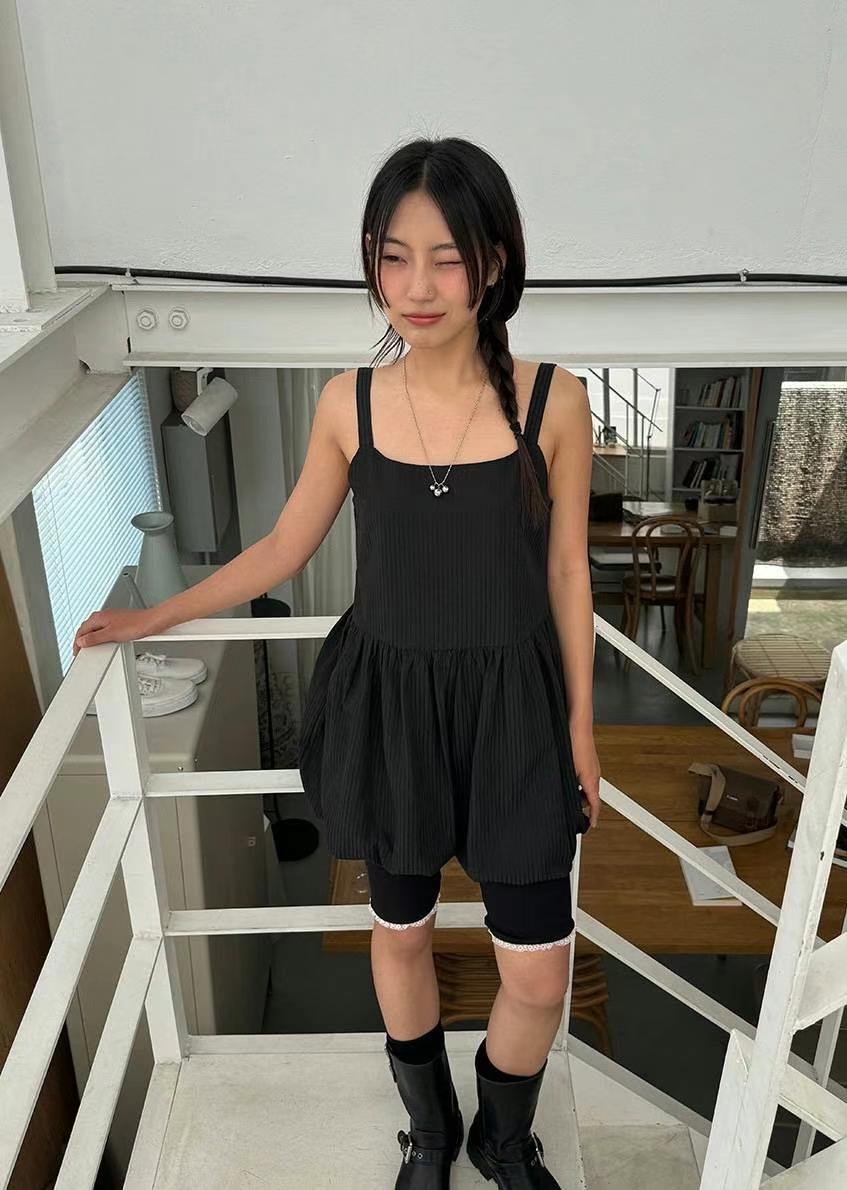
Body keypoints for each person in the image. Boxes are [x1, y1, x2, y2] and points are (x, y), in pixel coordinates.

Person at [73, 135, 601, 1189]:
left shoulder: (554, 400)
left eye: (446, 258)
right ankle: (431, 1132)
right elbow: (280, 548)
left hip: (515, 713)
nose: (417, 287)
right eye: (392, 257)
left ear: (495, 261)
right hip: (389, 706)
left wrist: (581, 728)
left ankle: (503, 1134)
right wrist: (154, 615)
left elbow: (566, 573)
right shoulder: (346, 403)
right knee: (399, 938)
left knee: (540, 972)